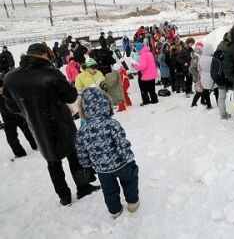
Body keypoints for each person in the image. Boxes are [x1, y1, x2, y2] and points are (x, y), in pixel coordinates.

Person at [2, 43, 100, 206]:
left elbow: (11, 106)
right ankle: (82, 187)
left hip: (38, 126)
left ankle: (64, 196)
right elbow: (70, 96)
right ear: (44, 54)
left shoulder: (11, 78)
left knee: (52, 162)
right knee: (73, 155)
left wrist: (30, 111)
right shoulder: (51, 73)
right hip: (61, 123)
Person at [76, 87, 139, 219]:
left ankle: (114, 210)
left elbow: (81, 151)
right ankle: (132, 203)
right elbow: (121, 143)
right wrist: (128, 159)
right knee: (129, 181)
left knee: (109, 190)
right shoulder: (112, 124)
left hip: (102, 169)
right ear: (106, 104)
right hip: (121, 164)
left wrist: (87, 166)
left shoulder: (82, 130)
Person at [0, 78, 38, 158]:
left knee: (29, 133)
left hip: (20, 116)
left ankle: (37, 147)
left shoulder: (11, 92)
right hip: (8, 120)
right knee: (11, 139)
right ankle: (20, 154)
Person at [212, 33, 232, 120]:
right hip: (227, 78)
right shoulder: (228, 50)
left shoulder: (218, 50)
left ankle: (223, 114)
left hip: (218, 77)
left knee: (221, 97)